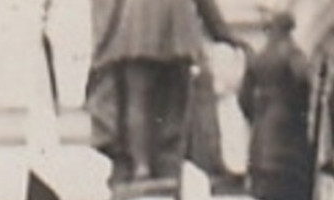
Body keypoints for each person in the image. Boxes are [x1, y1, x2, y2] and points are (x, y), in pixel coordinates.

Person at [86, 0, 242, 184]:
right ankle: (167, 163)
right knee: (173, 101)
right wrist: (224, 34)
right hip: (175, 25)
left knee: (139, 100)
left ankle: (141, 166)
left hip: (134, 29)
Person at [239, 11, 312, 200]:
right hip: (288, 145)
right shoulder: (293, 55)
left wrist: (258, 118)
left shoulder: (258, 58)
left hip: (260, 144)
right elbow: (304, 84)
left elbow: (243, 99)